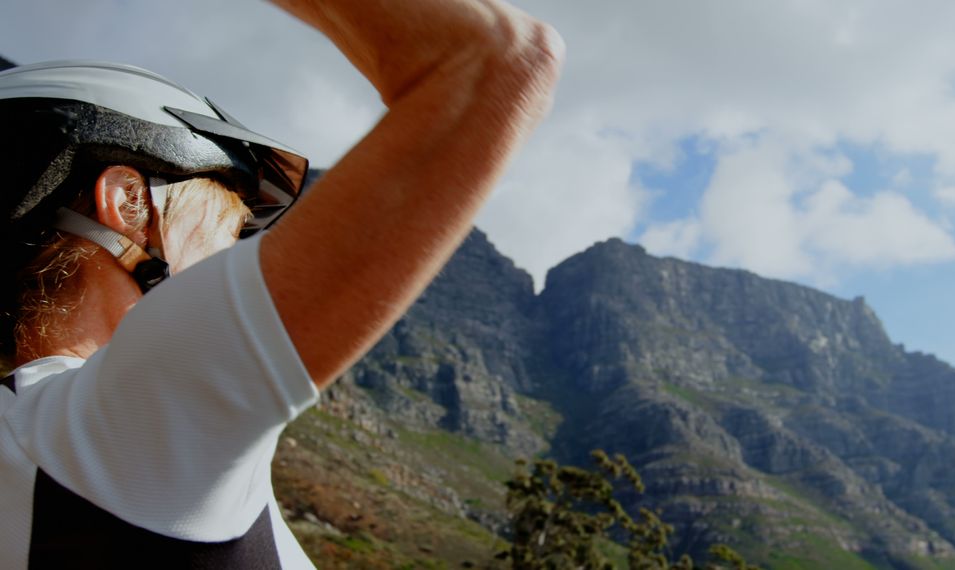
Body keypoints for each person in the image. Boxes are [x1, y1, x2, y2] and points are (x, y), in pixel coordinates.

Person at [0, 0, 563, 566]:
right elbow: (498, 58)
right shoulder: (123, 432)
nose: (242, 252)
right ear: (128, 203)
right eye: (229, 225)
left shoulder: (42, 441)